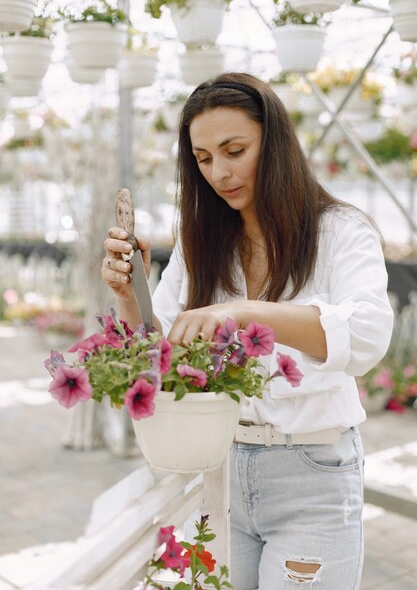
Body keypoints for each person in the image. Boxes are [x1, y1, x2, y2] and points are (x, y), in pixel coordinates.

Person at [102, 72, 393, 590]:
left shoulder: (339, 231)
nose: (219, 171)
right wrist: (131, 296)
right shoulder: (202, 243)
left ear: (274, 144)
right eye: (204, 158)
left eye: (235, 149)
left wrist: (245, 312)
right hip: (218, 467)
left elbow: (367, 335)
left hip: (313, 474)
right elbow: (161, 350)